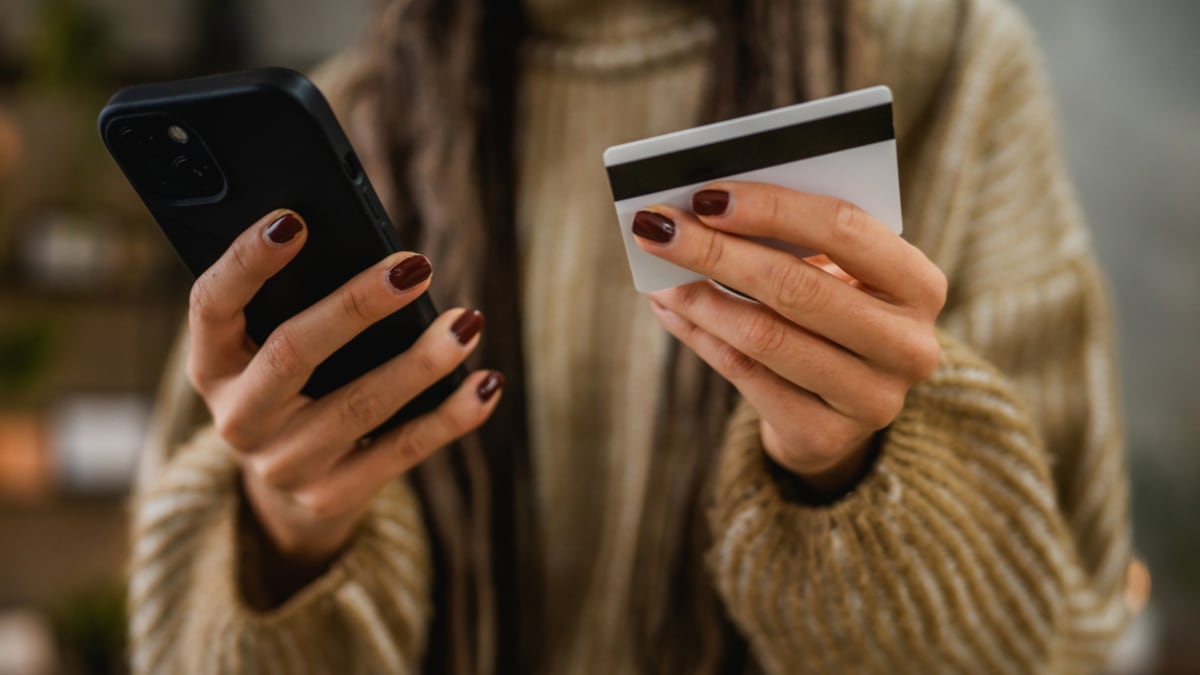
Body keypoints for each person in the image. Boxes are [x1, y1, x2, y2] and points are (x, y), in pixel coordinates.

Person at [127, 0, 1132, 672]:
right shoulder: (353, 117)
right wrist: (291, 530)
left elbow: (1060, 638)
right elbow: (172, 647)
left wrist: (854, 473)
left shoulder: (949, 66)